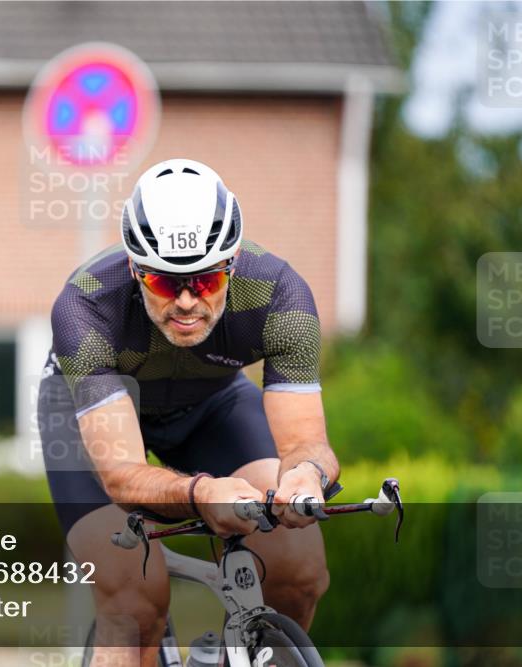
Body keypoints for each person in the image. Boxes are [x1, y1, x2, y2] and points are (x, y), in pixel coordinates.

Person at [38, 158, 340, 666]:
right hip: (87, 415)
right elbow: (121, 474)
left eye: (203, 282)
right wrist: (203, 493)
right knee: (133, 594)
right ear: (135, 269)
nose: (184, 302)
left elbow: (306, 445)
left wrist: (306, 477)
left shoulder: (280, 295)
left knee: (299, 569)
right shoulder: (86, 305)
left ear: (234, 262)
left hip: (212, 405)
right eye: (162, 283)